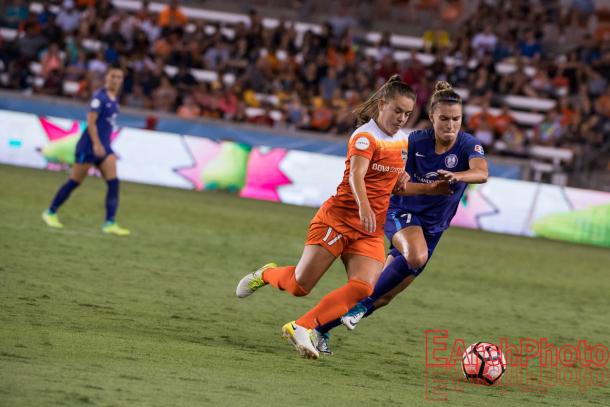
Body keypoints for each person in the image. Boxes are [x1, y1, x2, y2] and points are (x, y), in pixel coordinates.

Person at [235, 75, 416, 359]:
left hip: (368, 230)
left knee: (363, 288)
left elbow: (387, 179)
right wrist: (364, 205)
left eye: (407, 113)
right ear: (382, 104)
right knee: (299, 287)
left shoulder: (403, 142)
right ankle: (266, 274)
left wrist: (401, 179)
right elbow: (357, 176)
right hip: (339, 220)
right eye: (398, 111)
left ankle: (301, 326)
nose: (402, 118)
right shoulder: (365, 137)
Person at [314, 81, 488, 354]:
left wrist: (459, 176)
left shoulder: (468, 146)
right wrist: (402, 177)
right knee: (415, 256)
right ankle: (357, 306)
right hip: (399, 213)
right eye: (444, 118)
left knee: (381, 296)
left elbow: (481, 173)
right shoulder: (413, 142)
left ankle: (318, 328)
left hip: (433, 229)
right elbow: (393, 178)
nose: (450, 125)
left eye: (456, 119)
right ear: (432, 117)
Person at [42, 67, 130, 236]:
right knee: (75, 181)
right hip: (88, 147)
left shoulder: (114, 99)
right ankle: (50, 211)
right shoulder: (99, 97)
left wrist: (104, 145)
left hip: (105, 148)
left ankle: (110, 223)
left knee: (114, 183)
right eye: (113, 76)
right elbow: (91, 122)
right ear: (107, 78)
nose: (116, 80)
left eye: (119, 77)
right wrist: (96, 144)